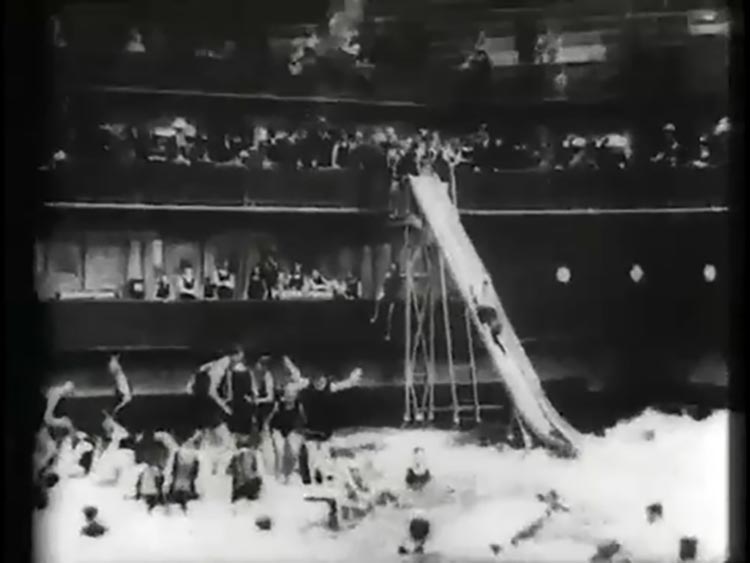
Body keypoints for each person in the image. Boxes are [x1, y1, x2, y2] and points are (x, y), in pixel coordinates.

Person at [285, 356, 363, 485]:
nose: (319, 383)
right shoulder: (308, 385)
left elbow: (344, 385)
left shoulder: (329, 386)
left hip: (325, 431)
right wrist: (290, 365)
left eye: (321, 380)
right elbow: (297, 377)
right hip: (311, 431)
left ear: (324, 378)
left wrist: (352, 379)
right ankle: (311, 479)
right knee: (312, 458)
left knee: (325, 459)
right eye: (317, 381)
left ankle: (326, 478)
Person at [265, 383, 306, 482]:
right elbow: (269, 420)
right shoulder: (278, 405)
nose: (290, 395)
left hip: (292, 430)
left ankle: (288, 474)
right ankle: (278, 475)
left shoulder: (299, 406)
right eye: (288, 392)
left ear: (296, 395)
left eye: (292, 393)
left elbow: (304, 421)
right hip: (278, 429)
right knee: (279, 450)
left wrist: (300, 434)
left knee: (294, 451)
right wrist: (267, 430)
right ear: (284, 394)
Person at [227, 435, 264, 504]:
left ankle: (235, 499)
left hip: (239, 488)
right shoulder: (252, 454)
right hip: (252, 486)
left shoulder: (235, 455)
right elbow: (255, 469)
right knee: (258, 479)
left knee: (235, 479)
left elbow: (228, 471)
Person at [370, 261, 402, 340]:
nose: (392, 269)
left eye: (394, 267)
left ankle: (388, 333)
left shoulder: (397, 278)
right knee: (379, 302)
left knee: (389, 316)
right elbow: (385, 285)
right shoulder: (388, 276)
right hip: (387, 295)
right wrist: (383, 292)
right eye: (392, 267)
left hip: (393, 297)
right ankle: (375, 317)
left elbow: (396, 288)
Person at [472, 279, 505, 352]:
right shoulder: (492, 314)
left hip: (484, 311)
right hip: (485, 309)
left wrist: (502, 349)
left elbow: (495, 339)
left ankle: (478, 289)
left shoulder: (490, 323)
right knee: (481, 301)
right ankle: (482, 286)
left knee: (479, 304)